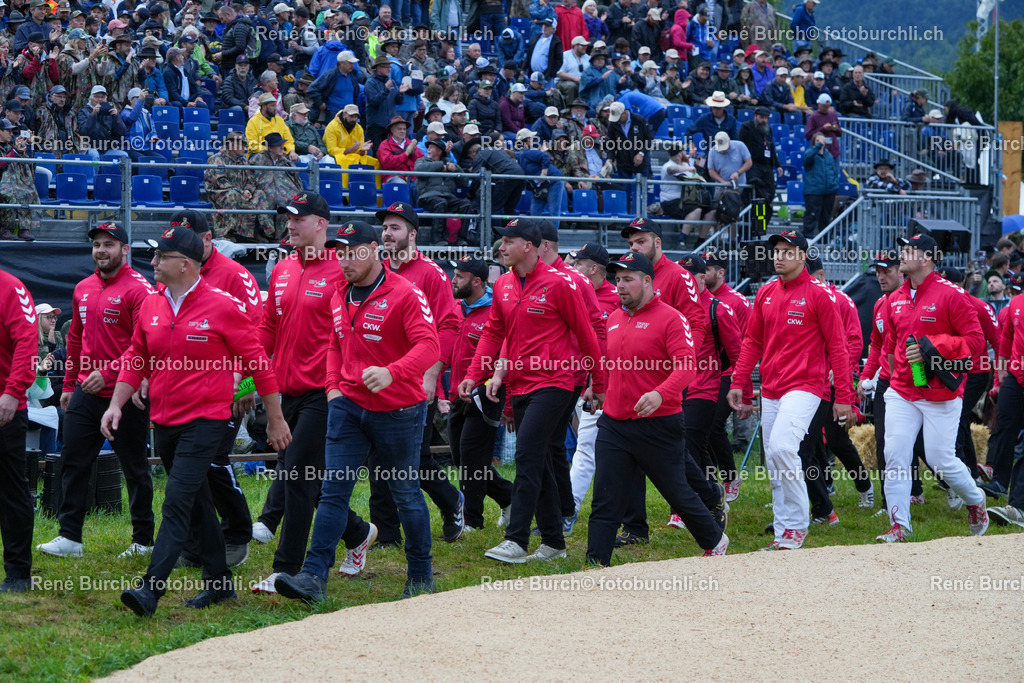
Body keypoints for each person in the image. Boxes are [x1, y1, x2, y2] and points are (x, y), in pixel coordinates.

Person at [105, 227, 292, 617]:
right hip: (165, 421)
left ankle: (150, 589)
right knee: (198, 504)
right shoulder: (153, 305)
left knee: (176, 499)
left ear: (184, 264)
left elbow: (259, 363)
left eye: (161, 257)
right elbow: (137, 356)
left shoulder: (222, 305)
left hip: (206, 420)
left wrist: (274, 419)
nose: (153, 263)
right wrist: (116, 404)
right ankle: (220, 584)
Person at [274, 219, 440, 602]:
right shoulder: (339, 294)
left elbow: (430, 347)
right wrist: (333, 388)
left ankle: (420, 574)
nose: (344, 260)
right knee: (332, 492)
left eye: (352, 252)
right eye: (340, 253)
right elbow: (335, 344)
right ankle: (314, 576)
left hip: (399, 410)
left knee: (405, 493)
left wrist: (393, 372)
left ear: (374, 251)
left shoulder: (406, 293)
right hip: (347, 406)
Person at [249, 195, 381, 592]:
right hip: (285, 390)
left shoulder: (343, 269)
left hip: (325, 391)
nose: (290, 225)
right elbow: (268, 328)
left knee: (296, 478)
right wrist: (246, 370)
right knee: (308, 478)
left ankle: (286, 568)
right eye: (287, 218)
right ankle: (357, 532)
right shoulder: (284, 268)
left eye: (298, 219)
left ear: (321, 224)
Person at [460, 218, 606, 563]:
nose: (501, 248)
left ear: (528, 246)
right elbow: (495, 333)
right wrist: (474, 374)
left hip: (556, 380)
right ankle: (554, 541)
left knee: (527, 453)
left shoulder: (561, 284)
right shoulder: (506, 284)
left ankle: (517, 539)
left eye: (508, 241)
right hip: (520, 381)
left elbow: (587, 334)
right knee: (539, 458)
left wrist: (598, 383)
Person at [586, 251, 729, 566]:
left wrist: (660, 394)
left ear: (647, 281)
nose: (620, 286)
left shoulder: (671, 318)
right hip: (613, 424)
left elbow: (686, 368)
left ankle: (715, 540)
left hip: (658, 423)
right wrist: (597, 386)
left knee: (677, 492)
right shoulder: (614, 318)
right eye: (617, 279)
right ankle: (595, 564)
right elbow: (611, 364)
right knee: (605, 499)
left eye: (628, 279)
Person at [35, 224, 156, 561]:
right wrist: (70, 384)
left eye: (109, 245)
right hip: (86, 393)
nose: (101, 251)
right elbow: (74, 338)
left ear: (125, 250)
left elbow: (144, 345)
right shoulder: (84, 288)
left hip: (126, 392)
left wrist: (110, 374)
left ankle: (143, 539)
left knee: (134, 467)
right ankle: (70, 536)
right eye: (97, 245)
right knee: (72, 462)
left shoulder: (140, 290)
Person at [728, 230, 854, 550]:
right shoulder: (767, 292)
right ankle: (783, 532)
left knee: (784, 448)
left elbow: (838, 349)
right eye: (776, 252)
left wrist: (844, 398)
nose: (779, 257)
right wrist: (739, 381)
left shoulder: (821, 294)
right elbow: (753, 341)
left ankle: (798, 524)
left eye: (787, 251)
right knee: (774, 459)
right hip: (771, 386)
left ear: (802, 256)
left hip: (806, 385)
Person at [875, 233, 988, 542]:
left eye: (908, 250)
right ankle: (900, 526)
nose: (901, 255)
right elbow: (892, 344)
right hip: (901, 389)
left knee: (941, 460)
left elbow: (976, 343)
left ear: (926, 257)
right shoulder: (895, 298)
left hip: (941, 393)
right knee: (894, 455)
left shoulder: (952, 295)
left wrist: (931, 347)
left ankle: (975, 499)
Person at [373, 202, 465, 545]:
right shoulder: (376, 269)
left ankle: (451, 499)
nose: (387, 233)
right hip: (379, 380)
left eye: (395, 227)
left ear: (412, 234)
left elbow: (450, 324)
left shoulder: (430, 273)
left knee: (413, 458)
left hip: (416, 381)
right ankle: (385, 534)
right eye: (384, 228)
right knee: (378, 456)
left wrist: (431, 375)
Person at [447, 256, 514, 531]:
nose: (454, 280)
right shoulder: (456, 308)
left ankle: (472, 520)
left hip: (485, 394)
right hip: (455, 393)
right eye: (454, 274)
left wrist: (493, 390)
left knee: (472, 459)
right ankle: (509, 496)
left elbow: (506, 356)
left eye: (460, 276)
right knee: (460, 459)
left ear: (477, 281)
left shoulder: (495, 311)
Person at [0, 266, 36, 593]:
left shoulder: (11, 288)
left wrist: (12, 392)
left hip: (4, 409)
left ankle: (18, 572)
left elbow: (26, 342)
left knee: (10, 490)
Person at [415, 139, 472, 245]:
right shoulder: (422, 161)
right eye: (428, 147)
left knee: (466, 204)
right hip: (427, 197)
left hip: (448, 197)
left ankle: (461, 239)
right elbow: (419, 170)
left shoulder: (450, 164)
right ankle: (436, 240)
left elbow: (464, 182)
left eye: (432, 147)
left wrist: (456, 169)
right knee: (441, 203)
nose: (428, 149)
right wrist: (441, 165)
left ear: (439, 151)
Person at [738, 106, 782, 224]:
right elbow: (740, 147)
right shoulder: (746, 127)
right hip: (752, 165)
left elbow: (771, 147)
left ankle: (761, 225)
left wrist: (777, 165)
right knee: (755, 194)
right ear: (755, 116)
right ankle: (750, 225)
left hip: (766, 167)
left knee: (769, 195)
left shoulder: (768, 130)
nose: (764, 120)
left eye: (766, 118)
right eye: (761, 117)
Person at [802, 132, 838, 236]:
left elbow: (833, 171)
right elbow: (806, 159)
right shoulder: (810, 153)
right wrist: (818, 146)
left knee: (826, 217)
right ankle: (807, 238)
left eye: (822, 140)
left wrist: (835, 185)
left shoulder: (829, 155)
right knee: (811, 216)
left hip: (829, 191)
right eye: (817, 140)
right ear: (813, 142)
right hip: (814, 191)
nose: (821, 142)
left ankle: (825, 238)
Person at [246, 92, 298, 159]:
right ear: (264, 107)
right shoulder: (253, 122)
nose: (275, 108)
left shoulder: (280, 120)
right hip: (261, 154)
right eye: (272, 106)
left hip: (280, 154)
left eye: (275, 105)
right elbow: (252, 144)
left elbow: (289, 140)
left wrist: (291, 151)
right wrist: (271, 151)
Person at [804, 93, 841, 159]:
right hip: (820, 153)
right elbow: (808, 136)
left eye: (828, 106)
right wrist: (823, 128)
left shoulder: (833, 115)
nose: (826, 108)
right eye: (824, 106)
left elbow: (839, 133)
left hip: (833, 152)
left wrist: (835, 129)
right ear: (818, 104)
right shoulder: (813, 118)